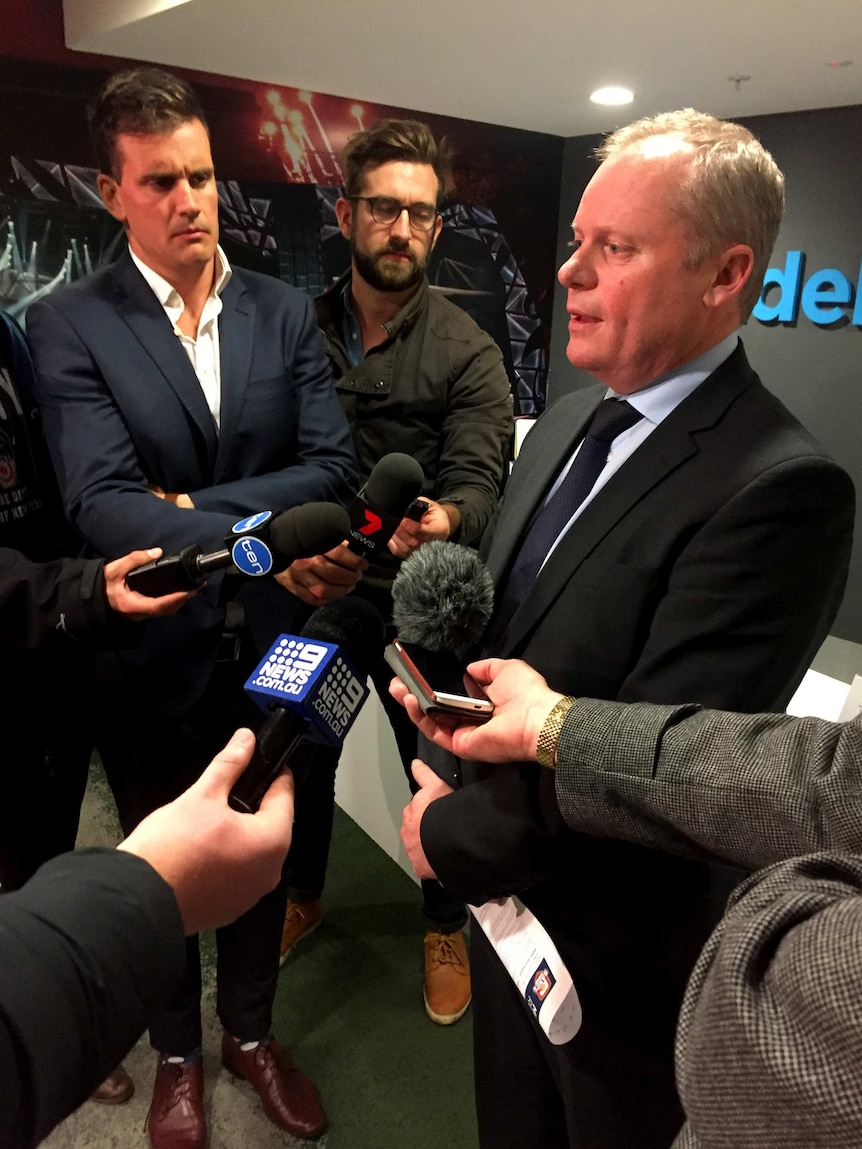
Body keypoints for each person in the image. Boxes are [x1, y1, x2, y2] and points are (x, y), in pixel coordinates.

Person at [395, 109, 856, 1149]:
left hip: (619, 966)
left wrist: (448, 836)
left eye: (615, 248)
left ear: (723, 273)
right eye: (576, 242)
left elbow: (662, 768)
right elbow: (521, 636)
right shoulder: (563, 417)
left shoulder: (781, 489)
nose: (569, 273)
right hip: (505, 919)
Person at [25, 67, 356, 1148]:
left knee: (263, 848)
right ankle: (174, 1051)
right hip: (146, 655)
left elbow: (334, 471)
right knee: (162, 861)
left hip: (279, 641)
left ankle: (249, 1036)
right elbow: (102, 506)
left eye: (203, 176)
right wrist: (250, 523)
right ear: (114, 192)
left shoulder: (283, 307)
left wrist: (190, 510)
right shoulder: (69, 325)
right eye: (160, 180)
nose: (189, 201)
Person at [394, 658, 862, 1148]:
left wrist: (455, 832)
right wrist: (552, 726)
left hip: (648, 971)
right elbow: (835, 777)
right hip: (513, 907)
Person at [276, 119, 513, 1025]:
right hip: (319, 594)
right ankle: (301, 892)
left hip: (422, 605)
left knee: (441, 766)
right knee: (300, 744)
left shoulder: (469, 350)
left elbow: (480, 476)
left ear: (437, 226)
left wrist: (445, 519)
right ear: (347, 214)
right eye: (384, 208)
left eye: (420, 212)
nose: (402, 228)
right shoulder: (295, 329)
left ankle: (444, 921)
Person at [1, 305, 193, 1105]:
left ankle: (179, 1049)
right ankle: (55, 1024)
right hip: (31, 640)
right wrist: (80, 589)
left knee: (153, 839)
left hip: (89, 639)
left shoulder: (18, 334)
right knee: (28, 861)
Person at [1, 726, 294, 1149]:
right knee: (148, 820)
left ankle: (249, 1035)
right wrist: (151, 890)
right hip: (142, 692)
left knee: (264, 857)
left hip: (258, 684)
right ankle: (178, 1053)